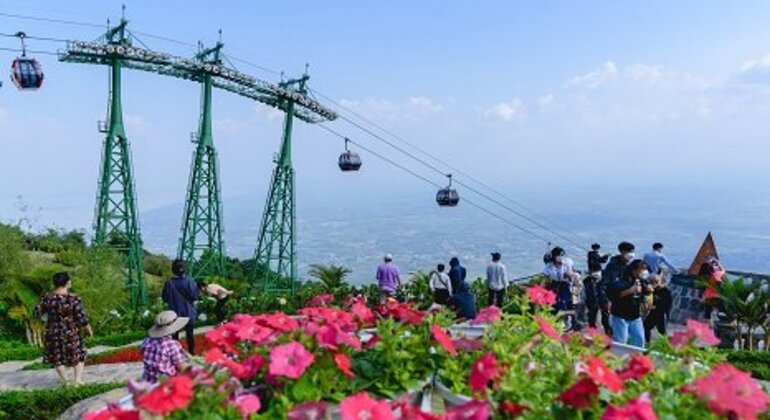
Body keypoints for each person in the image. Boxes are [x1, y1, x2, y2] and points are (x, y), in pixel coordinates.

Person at [34, 272, 94, 386]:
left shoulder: (47, 298)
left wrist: (48, 319)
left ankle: (65, 381)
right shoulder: (73, 298)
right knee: (79, 353)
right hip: (71, 331)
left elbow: (37, 312)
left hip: (54, 331)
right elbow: (80, 315)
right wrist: (88, 328)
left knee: (57, 356)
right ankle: (77, 380)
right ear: (67, 283)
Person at [607, 259, 652, 347]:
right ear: (634, 270)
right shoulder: (621, 282)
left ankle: (637, 359)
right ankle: (618, 358)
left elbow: (643, 296)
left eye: (645, 269)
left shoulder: (642, 282)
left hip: (635, 316)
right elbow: (613, 295)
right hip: (621, 316)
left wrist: (648, 292)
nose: (644, 272)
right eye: (642, 269)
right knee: (621, 341)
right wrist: (629, 291)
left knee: (639, 340)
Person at [597, 241, 637, 336]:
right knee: (613, 331)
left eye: (632, 252)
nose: (631, 254)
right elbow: (603, 285)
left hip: (627, 304)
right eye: (628, 252)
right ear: (621, 252)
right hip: (613, 302)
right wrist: (606, 301)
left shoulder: (631, 267)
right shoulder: (612, 267)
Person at [140, 310, 190, 383]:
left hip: (148, 381)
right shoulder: (171, 344)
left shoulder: (146, 341)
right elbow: (182, 367)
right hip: (166, 383)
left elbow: (143, 354)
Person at [162, 259, 199, 354]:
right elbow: (194, 297)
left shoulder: (169, 283)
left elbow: (165, 298)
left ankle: (176, 354)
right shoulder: (190, 282)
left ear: (173, 269)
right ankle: (192, 354)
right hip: (188, 313)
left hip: (174, 314)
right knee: (190, 334)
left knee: (174, 335)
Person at [644, 275, 672, 344]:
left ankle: (667, 345)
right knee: (646, 327)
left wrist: (654, 307)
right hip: (654, 313)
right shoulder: (654, 290)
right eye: (652, 282)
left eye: (655, 282)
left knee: (662, 332)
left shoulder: (666, 292)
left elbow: (666, 305)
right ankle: (647, 342)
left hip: (662, 314)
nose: (653, 284)